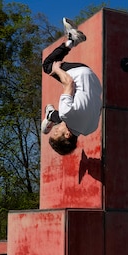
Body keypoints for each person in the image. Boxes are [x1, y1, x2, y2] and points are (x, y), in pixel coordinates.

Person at [40, 18, 102, 155]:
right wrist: (57, 70)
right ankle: (72, 40)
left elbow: (98, 109)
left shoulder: (90, 129)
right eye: (57, 132)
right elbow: (69, 83)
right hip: (80, 74)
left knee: (66, 117)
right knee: (48, 66)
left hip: (95, 81)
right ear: (67, 135)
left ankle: (50, 115)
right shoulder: (66, 113)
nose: (56, 129)